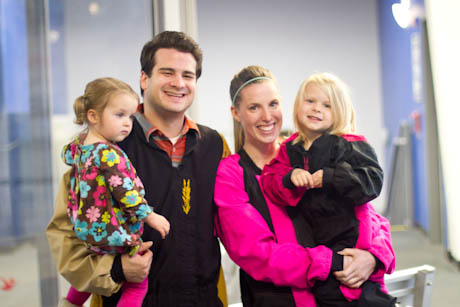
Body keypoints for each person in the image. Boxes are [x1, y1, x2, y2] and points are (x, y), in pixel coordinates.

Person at [47, 31, 230, 307]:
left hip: (203, 299)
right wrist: (116, 269)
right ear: (144, 79)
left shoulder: (215, 145)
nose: (178, 83)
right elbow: (66, 236)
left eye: (188, 75)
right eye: (167, 72)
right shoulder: (103, 148)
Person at [214, 66, 395, 307]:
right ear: (236, 113)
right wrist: (334, 262)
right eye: (254, 107)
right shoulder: (231, 174)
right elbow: (256, 253)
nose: (267, 116)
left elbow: (368, 215)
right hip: (280, 299)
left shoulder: (304, 153)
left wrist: (373, 257)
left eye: (273, 104)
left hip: (336, 293)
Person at [61, 77, 170, 307]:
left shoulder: (80, 148)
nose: (127, 123)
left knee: (90, 275)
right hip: (113, 230)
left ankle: (70, 303)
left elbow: (66, 155)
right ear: (93, 115)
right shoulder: (109, 153)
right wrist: (150, 216)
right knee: (137, 284)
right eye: (119, 115)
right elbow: (126, 192)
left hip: (87, 230)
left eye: (130, 116)